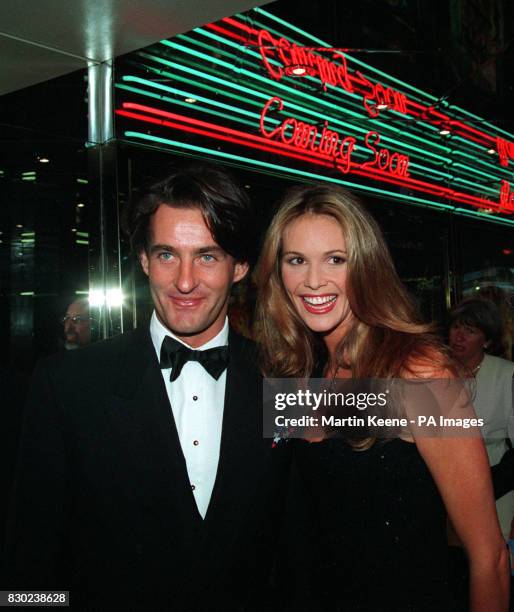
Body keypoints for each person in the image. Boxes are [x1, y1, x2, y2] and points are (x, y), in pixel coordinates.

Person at [6, 162, 290, 610]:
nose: (184, 281)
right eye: (166, 255)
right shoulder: (66, 386)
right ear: (143, 261)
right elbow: (29, 559)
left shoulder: (283, 379)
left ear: (240, 267)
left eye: (208, 256)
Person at [254, 184, 509, 612]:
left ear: (367, 266)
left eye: (336, 259)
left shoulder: (419, 374)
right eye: (296, 260)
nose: (314, 280)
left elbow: (490, 558)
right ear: (278, 272)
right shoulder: (302, 369)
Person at [449, 298, 514, 540]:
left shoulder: (506, 374)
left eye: (470, 331)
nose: (459, 337)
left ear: (486, 340)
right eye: (456, 327)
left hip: (496, 489)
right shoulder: (434, 371)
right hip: (444, 489)